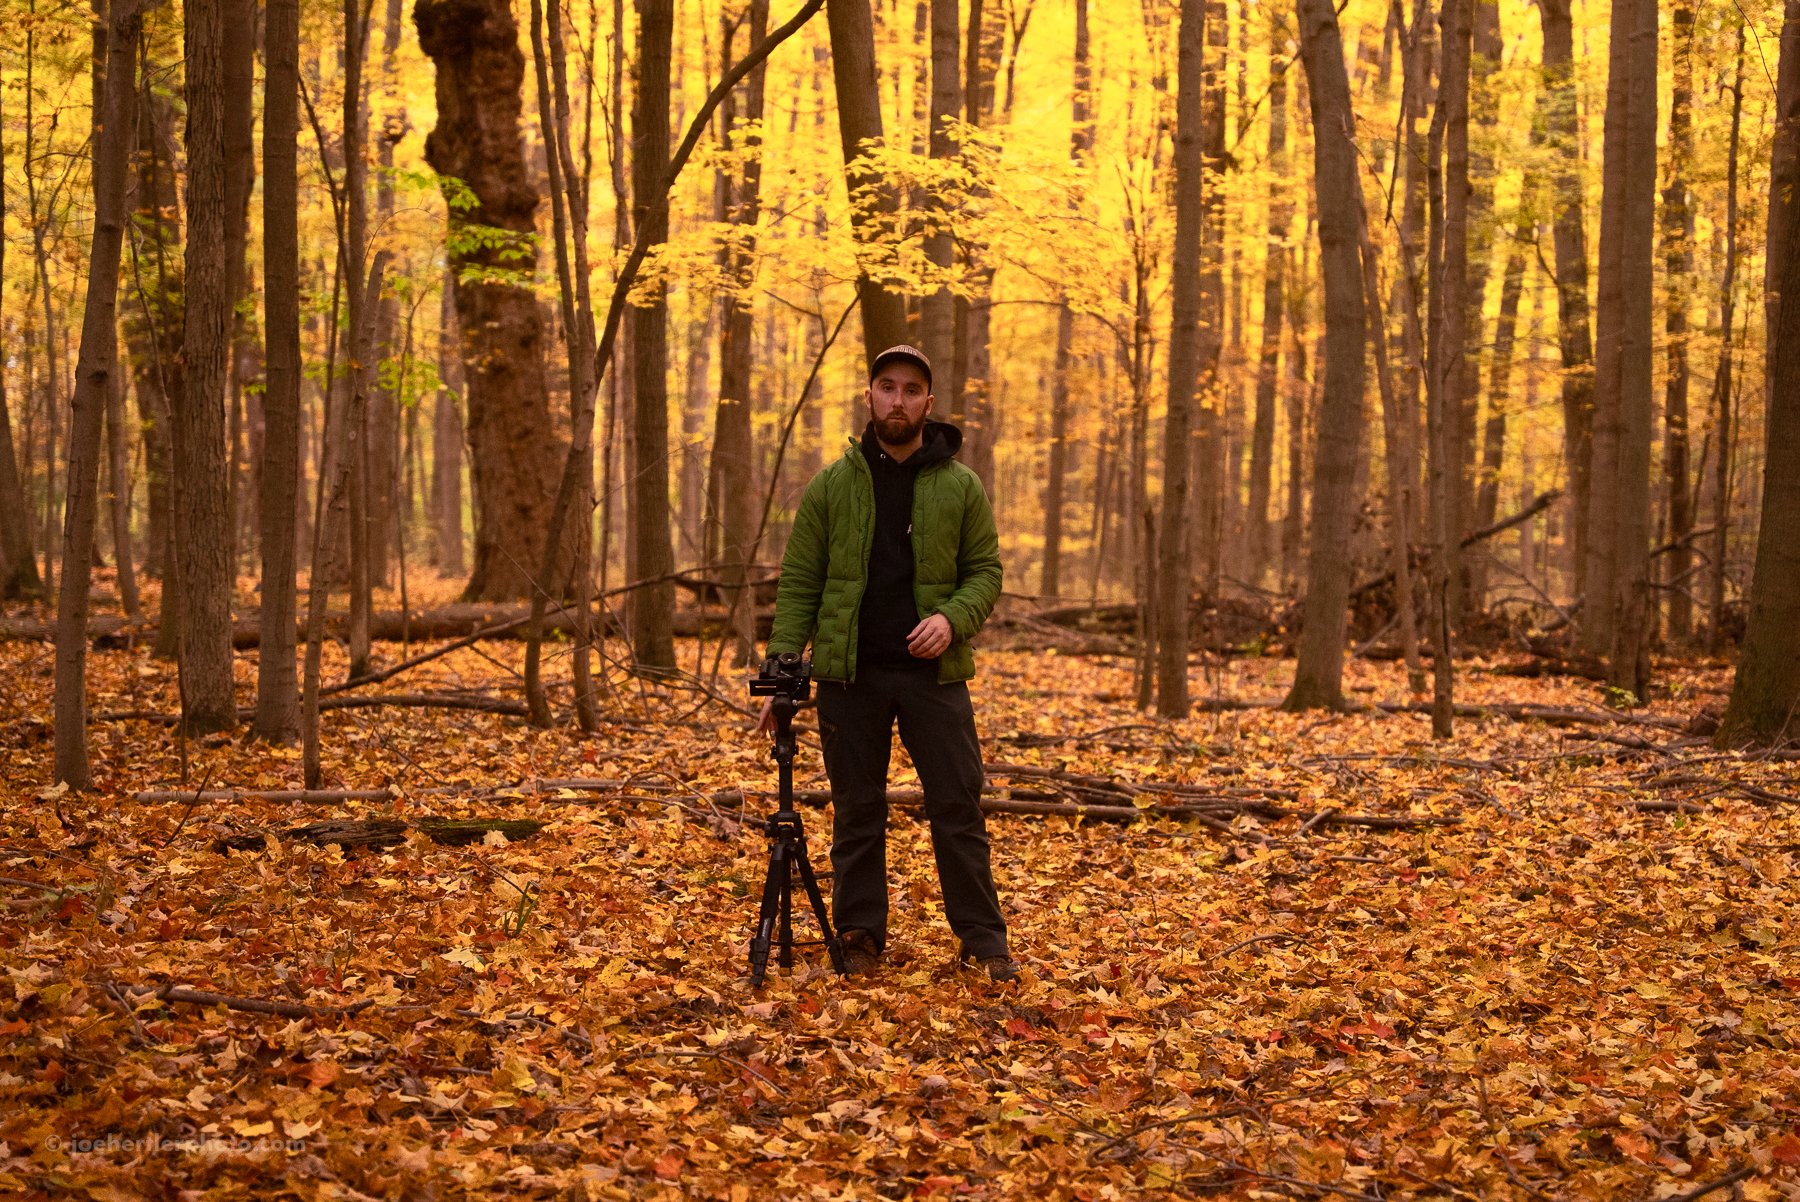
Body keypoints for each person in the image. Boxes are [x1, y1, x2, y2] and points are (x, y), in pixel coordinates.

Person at [757, 344, 1016, 982]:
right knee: (857, 810)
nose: (897, 399)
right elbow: (799, 582)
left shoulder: (960, 486)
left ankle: (984, 942)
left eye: (910, 389)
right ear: (869, 396)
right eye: (886, 387)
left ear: (929, 402)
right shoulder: (832, 485)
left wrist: (953, 618)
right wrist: (784, 669)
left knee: (958, 807)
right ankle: (860, 934)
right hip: (850, 674)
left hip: (936, 677)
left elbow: (986, 571)